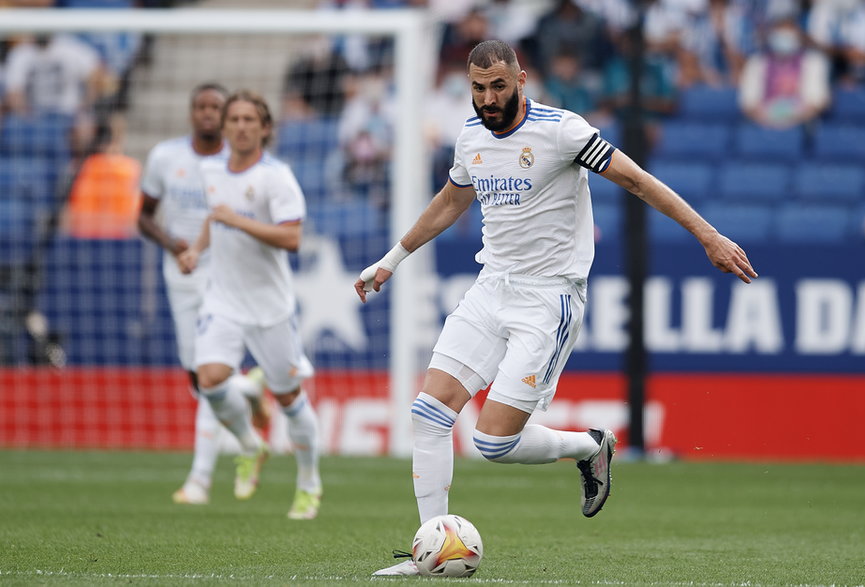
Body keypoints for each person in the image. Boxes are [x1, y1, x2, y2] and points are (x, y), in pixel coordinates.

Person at [356, 40, 758, 576]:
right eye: (478, 88)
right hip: (491, 286)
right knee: (428, 414)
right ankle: (429, 548)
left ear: (521, 80)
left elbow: (637, 180)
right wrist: (393, 258)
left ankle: (590, 447)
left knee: (492, 443)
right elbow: (452, 200)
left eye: (498, 85)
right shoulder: (471, 136)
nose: (488, 97)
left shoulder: (561, 131)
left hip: (548, 298)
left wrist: (709, 237)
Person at [178, 89, 323, 520]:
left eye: (249, 120)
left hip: (270, 307)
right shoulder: (209, 170)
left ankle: (308, 482)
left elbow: (293, 239)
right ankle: (249, 442)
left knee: (289, 397)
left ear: (265, 128)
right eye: (234, 119)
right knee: (209, 380)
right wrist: (196, 250)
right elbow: (215, 214)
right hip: (222, 299)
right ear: (223, 128)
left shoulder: (276, 177)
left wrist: (237, 220)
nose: (241, 126)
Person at [138, 83, 267, 506]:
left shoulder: (241, 165)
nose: (208, 113)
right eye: (201, 107)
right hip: (181, 276)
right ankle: (246, 398)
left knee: (209, 375)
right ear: (191, 112)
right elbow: (142, 216)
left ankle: (199, 480)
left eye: (216, 107)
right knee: (201, 380)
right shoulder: (165, 157)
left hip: (224, 277)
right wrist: (176, 246)